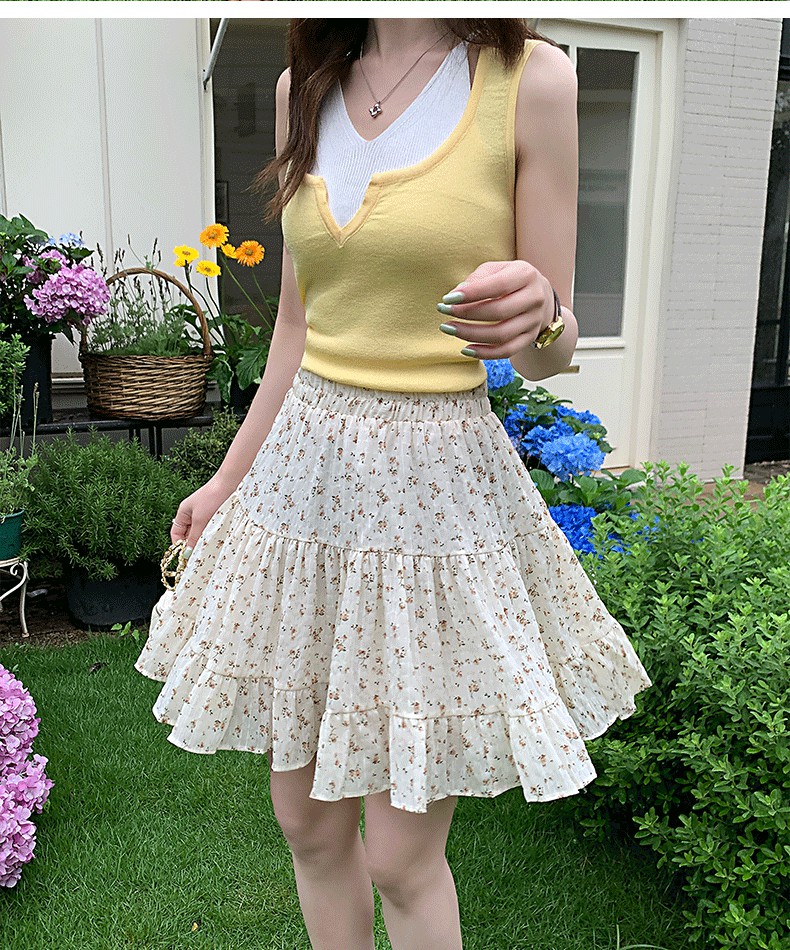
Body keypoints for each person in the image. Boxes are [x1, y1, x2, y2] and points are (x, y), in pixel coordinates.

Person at [135, 18, 653, 950]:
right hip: (304, 486)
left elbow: (551, 349)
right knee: (307, 823)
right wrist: (226, 480)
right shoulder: (306, 84)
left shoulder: (529, 80)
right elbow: (296, 327)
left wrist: (543, 314)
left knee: (402, 860)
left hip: (433, 496)